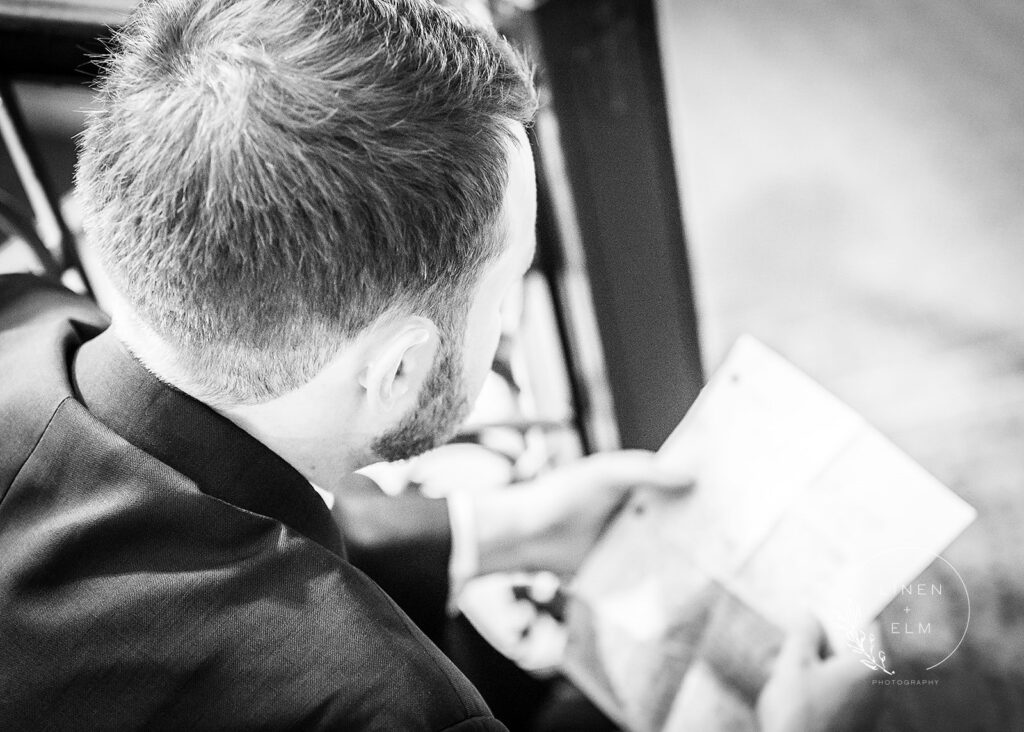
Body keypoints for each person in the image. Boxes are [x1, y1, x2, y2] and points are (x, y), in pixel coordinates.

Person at [0, 0, 877, 728]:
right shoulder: (388, 707)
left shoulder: (23, 315)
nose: (506, 316)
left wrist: (504, 528)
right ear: (395, 373)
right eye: (510, 281)